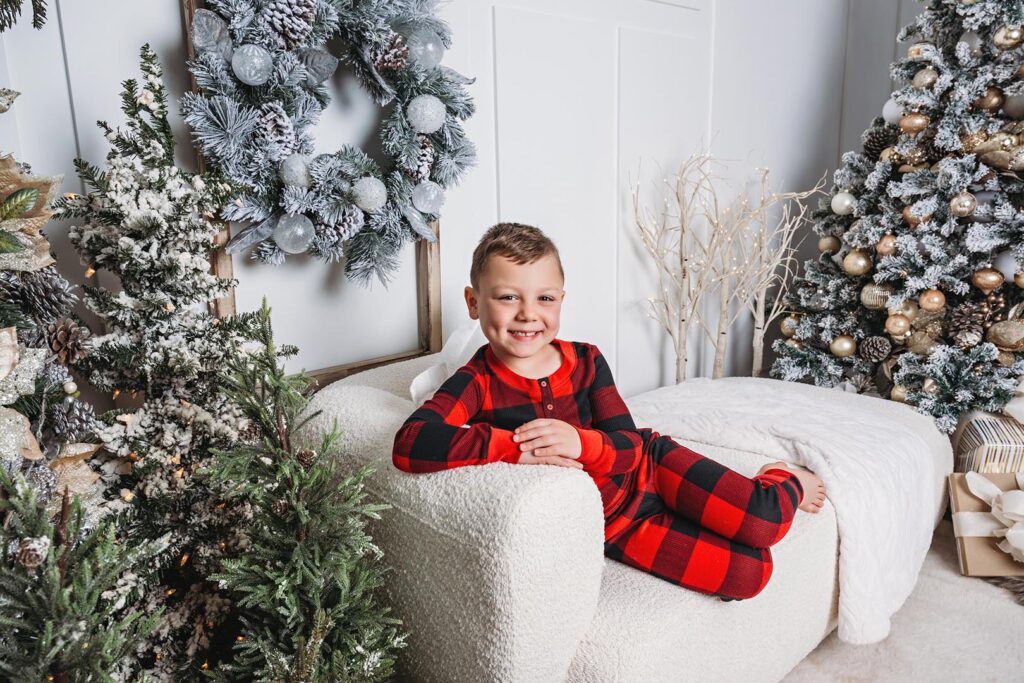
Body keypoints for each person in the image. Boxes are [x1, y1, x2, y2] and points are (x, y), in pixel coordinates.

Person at [392, 222, 827, 601]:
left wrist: (580, 443)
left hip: (652, 468)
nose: (528, 314)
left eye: (545, 298)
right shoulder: (477, 380)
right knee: (750, 574)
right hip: (614, 523)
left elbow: (629, 445)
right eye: (507, 297)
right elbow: (411, 442)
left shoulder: (587, 360)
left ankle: (782, 478)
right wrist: (514, 447)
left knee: (763, 521)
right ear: (473, 302)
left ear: (561, 300)